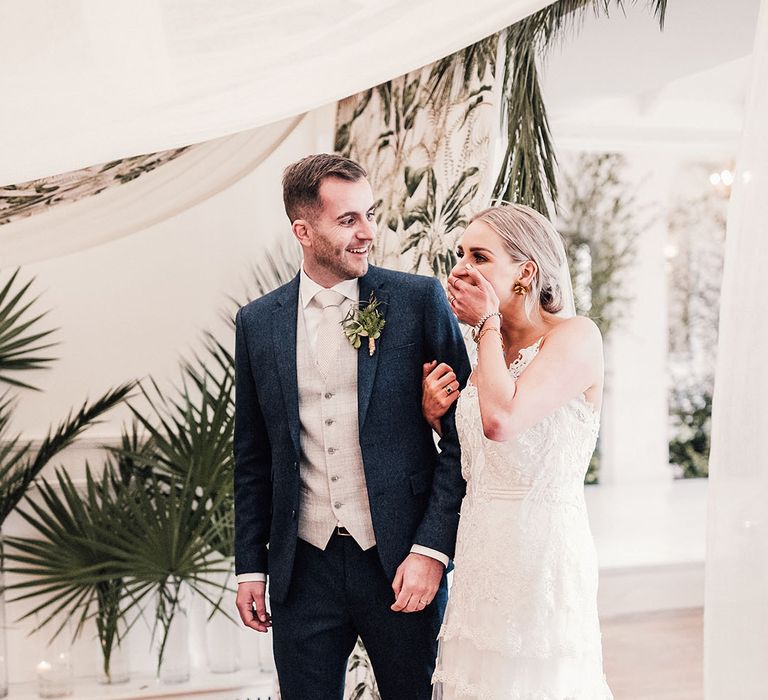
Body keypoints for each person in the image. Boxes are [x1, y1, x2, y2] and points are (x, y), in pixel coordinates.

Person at [233, 153, 471, 700]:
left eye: (370, 214)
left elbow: (466, 438)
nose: (368, 233)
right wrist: (251, 568)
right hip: (302, 569)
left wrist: (432, 550)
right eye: (348, 220)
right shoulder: (258, 322)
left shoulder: (417, 301)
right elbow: (253, 456)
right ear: (303, 230)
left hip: (400, 562)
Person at [423, 203, 613, 699]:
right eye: (461, 254)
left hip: (540, 558)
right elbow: (481, 456)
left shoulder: (576, 337)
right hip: (481, 554)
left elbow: (502, 421)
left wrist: (485, 324)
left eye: (480, 256)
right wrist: (439, 418)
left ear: (525, 271)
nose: (462, 267)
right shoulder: (488, 349)